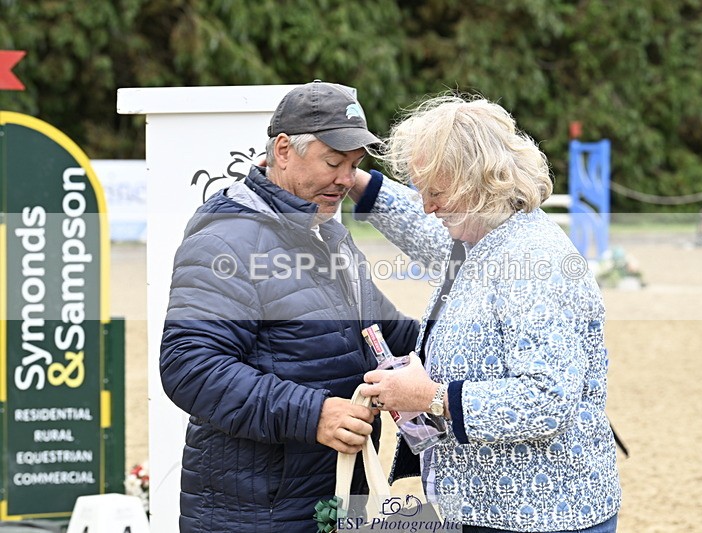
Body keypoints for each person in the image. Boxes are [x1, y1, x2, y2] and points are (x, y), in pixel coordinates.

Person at [352, 94, 622, 532]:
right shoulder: (484, 237)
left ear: (478, 184)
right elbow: (428, 233)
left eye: (436, 193)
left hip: (543, 517)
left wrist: (432, 398)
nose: (427, 206)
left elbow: (548, 398)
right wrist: (362, 186)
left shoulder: (535, 262)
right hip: (494, 512)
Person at [159, 80, 418, 532]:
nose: (344, 180)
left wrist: (468, 347)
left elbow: (390, 330)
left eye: (353, 166)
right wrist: (313, 414)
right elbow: (189, 365)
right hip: (256, 513)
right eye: (333, 162)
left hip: (327, 502)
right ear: (283, 150)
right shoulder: (225, 240)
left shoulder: (328, 236)